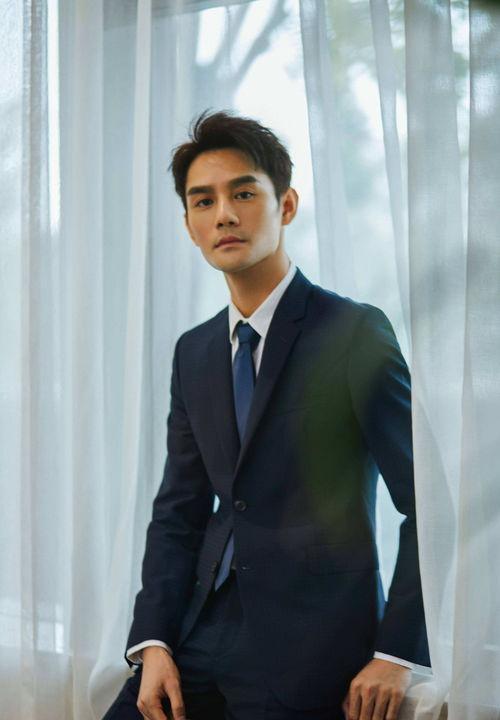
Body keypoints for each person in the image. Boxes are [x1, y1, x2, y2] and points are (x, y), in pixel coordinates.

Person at [103, 111, 430, 720]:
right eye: (204, 201)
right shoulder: (194, 351)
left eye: (244, 193)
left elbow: (428, 501)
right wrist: (153, 642)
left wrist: (396, 653)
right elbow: (178, 511)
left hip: (311, 648)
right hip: (195, 633)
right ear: (190, 225)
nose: (224, 214)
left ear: (287, 205)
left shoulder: (354, 332)